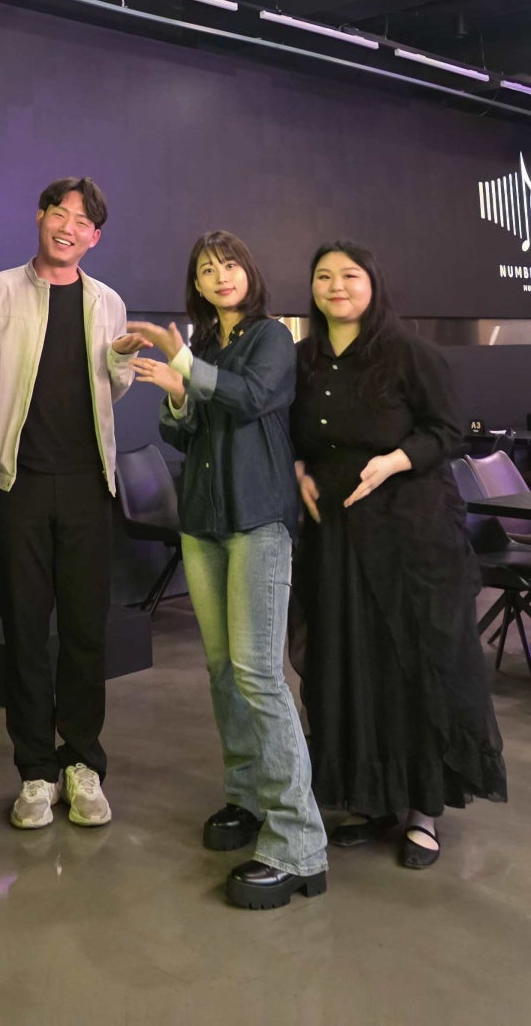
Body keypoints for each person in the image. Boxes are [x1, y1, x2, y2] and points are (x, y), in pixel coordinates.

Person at [290, 241, 506, 866]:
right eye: (324, 276)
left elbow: (446, 432)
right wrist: (298, 467)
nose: (336, 286)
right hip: (336, 540)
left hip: (411, 537)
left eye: (349, 275)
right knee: (351, 666)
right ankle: (371, 798)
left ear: (373, 283)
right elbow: (288, 430)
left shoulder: (411, 354)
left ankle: (423, 812)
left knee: (415, 666)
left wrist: (394, 460)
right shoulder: (304, 360)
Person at [130, 230, 327, 910]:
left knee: (258, 673)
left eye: (230, 265)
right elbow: (183, 432)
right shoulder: (206, 344)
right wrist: (177, 393)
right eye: (207, 269)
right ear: (197, 283)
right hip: (203, 522)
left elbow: (252, 398)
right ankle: (246, 796)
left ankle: (299, 841)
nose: (220, 276)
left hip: (259, 520)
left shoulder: (271, 338)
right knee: (221, 670)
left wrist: (183, 363)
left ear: (249, 272)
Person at [0, 177, 138, 831]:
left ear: (96, 237)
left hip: (89, 485)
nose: (69, 227)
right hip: (18, 486)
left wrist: (123, 366)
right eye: (59, 214)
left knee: (86, 633)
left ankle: (83, 762)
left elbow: (113, 388)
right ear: (39, 217)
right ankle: (35, 770)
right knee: (26, 634)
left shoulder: (108, 302)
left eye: (82, 221)